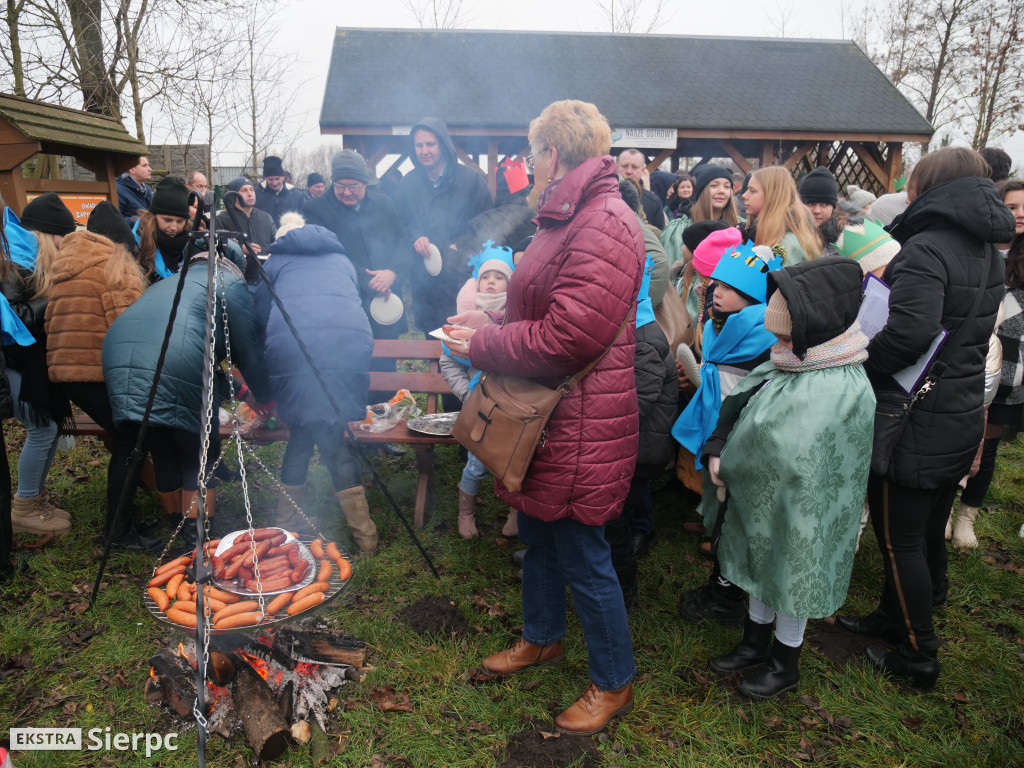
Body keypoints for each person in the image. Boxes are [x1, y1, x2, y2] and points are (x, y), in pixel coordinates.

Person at [448, 99, 643, 735]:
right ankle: (541, 637)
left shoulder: (604, 223)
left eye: (532, 153)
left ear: (552, 154)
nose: (528, 165)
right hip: (544, 417)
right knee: (536, 538)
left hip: (580, 421)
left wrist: (481, 346)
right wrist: (490, 320)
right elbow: (539, 305)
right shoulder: (565, 216)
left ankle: (613, 683)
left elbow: (568, 339)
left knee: (584, 554)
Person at [837, 147, 1014, 690]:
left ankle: (918, 655)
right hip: (957, 408)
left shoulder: (927, 248)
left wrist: (863, 364)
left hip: (916, 416)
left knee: (900, 540)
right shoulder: (988, 249)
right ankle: (896, 619)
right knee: (922, 530)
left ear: (929, 188)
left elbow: (911, 334)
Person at [703, 256, 874, 699]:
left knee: (790, 571)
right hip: (766, 495)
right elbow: (745, 403)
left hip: (803, 505)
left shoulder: (838, 383)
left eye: (784, 314)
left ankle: (786, 659)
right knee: (762, 565)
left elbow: (797, 448)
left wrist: (739, 461)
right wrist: (722, 445)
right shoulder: (790, 358)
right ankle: (755, 640)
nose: (772, 325)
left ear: (812, 318)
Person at [103, 239, 273, 545]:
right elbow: (250, 353)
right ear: (234, 264)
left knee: (163, 446)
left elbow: (192, 338)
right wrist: (266, 398)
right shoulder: (229, 283)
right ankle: (197, 535)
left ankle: (176, 523)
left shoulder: (170, 282)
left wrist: (242, 390)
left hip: (120, 358)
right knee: (198, 452)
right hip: (177, 360)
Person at [253, 216, 378, 555]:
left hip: (293, 349)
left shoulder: (276, 260)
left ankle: (286, 530)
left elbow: (261, 312)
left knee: (301, 434)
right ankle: (364, 536)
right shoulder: (342, 259)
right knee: (332, 434)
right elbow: (353, 301)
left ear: (282, 239)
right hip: (348, 348)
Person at [674, 240, 781, 624]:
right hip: (723, 425)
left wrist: (701, 372)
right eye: (716, 284)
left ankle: (726, 592)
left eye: (730, 288)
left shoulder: (762, 331)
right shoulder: (727, 322)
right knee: (721, 501)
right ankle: (718, 560)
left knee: (734, 506)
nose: (717, 292)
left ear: (753, 295)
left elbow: (738, 384)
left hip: (740, 430)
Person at [44, 201, 158, 551]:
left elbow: (49, 321)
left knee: (127, 441)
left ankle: (126, 520)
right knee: (131, 444)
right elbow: (129, 327)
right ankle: (118, 533)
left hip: (67, 372)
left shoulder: (67, 265)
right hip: (98, 371)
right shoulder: (114, 267)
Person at [949, 179, 1024, 548]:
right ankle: (944, 507)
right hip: (970, 359)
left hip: (1012, 368)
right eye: (1012, 207)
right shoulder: (974, 250)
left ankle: (967, 515)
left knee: (988, 445)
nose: (1020, 214)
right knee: (957, 438)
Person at [605, 252, 678, 608]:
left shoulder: (645, 338)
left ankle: (624, 589)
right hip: (630, 445)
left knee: (617, 517)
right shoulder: (632, 328)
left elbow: (637, 403)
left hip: (639, 448)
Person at [1, 193, 76, 536]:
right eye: (63, 236)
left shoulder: (31, 260)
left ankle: (37, 500)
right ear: (47, 235)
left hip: (30, 363)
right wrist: (55, 299)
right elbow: (12, 318)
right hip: (16, 366)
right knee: (41, 429)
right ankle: (24, 506)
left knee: (49, 427)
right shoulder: (17, 262)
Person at [439, 244, 518, 539]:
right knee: (476, 464)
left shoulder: (517, 317)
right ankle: (466, 511)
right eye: (487, 276)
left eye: (500, 277)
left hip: (512, 406)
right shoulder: (466, 316)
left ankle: (515, 512)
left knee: (514, 463)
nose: (492, 282)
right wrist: (465, 393)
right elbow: (449, 362)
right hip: (479, 407)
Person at [394, 118, 493, 336]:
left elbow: (487, 223)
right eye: (419, 145)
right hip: (425, 281)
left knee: (462, 343)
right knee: (432, 342)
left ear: (443, 145)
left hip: (462, 278)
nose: (424, 150)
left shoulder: (470, 180)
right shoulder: (408, 184)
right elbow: (402, 222)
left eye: (430, 144)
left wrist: (460, 245)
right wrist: (415, 236)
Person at [742, 166, 822, 265]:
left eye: (752, 191)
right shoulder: (759, 231)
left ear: (773, 195)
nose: (744, 195)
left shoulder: (788, 244)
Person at [215, 176, 275, 282]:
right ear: (234, 195)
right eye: (244, 190)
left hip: (265, 278)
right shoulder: (222, 220)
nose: (250, 194)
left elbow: (276, 242)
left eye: (252, 190)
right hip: (236, 280)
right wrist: (240, 250)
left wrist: (274, 252)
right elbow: (217, 251)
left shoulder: (266, 218)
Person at [133, 176, 191, 282]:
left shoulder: (194, 242)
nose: (174, 227)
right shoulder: (135, 245)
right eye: (167, 220)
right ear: (154, 217)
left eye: (180, 221)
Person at [616, 149, 667, 229]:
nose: (629, 171)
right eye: (624, 166)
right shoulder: (605, 196)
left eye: (635, 167)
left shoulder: (653, 201)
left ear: (642, 171)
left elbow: (660, 237)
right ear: (617, 167)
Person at [254, 156, 303, 227]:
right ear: (265, 178)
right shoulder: (256, 194)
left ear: (283, 177)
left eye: (277, 179)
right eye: (270, 179)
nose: (274, 183)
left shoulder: (295, 195)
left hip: (288, 235)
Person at [116, 156, 153, 224]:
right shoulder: (118, 190)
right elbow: (114, 220)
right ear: (132, 169)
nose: (150, 169)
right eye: (144, 166)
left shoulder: (147, 190)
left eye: (148, 165)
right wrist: (138, 221)